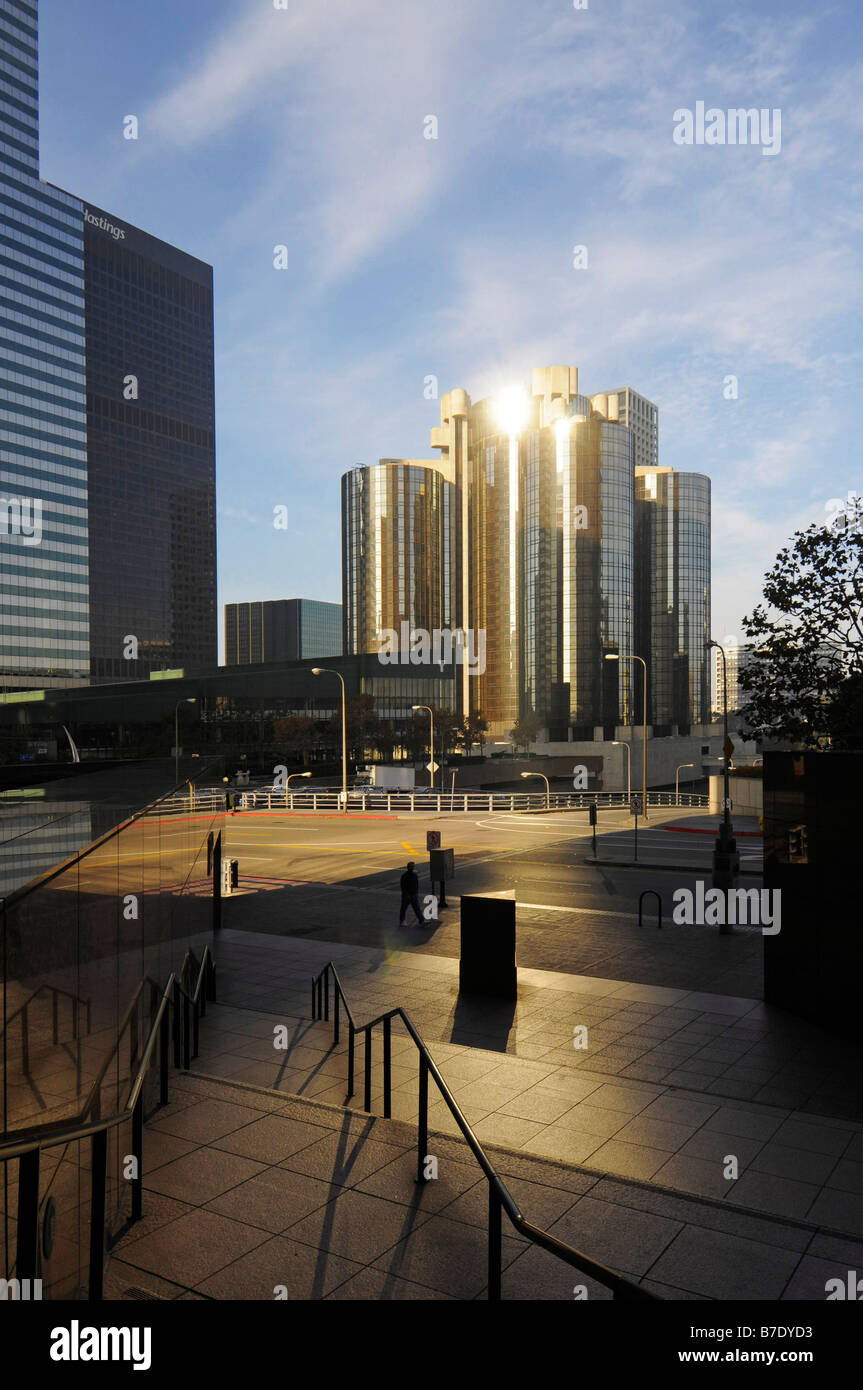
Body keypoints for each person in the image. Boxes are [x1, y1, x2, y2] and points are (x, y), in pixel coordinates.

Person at [398, 862, 423, 927]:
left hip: (413, 894)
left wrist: (416, 893)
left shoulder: (414, 875)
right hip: (407, 895)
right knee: (404, 908)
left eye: (413, 866)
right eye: (411, 866)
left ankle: (421, 920)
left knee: (416, 908)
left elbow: (416, 885)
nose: (412, 868)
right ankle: (402, 921)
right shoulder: (405, 876)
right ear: (408, 867)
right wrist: (406, 894)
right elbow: (403, 887)